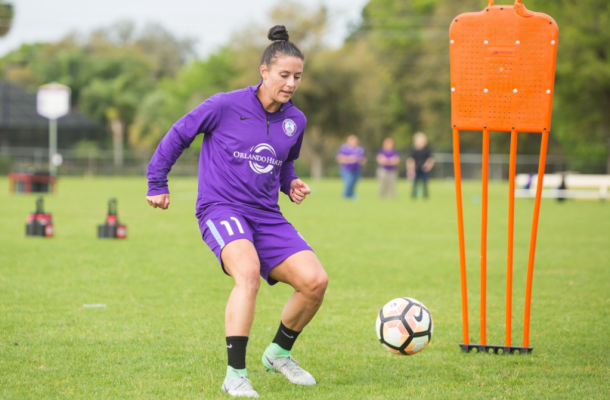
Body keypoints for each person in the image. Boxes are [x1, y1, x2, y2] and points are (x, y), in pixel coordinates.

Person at [145, 25, 328, 398]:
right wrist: (157, 183)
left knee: (314, 282)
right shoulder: (224, 105)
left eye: (297, 77)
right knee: (247, 274)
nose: (291, 83)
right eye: (284, 75)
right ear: (264, 71)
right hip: (221, 208)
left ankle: (278, 353)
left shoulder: (297, 121)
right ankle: (235, 374)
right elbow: (179, 134)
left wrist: (289, 183)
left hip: (266, 215)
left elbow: (284, 162)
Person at [336, 135, 366, 199]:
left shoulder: (360, 148)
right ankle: (346, 196)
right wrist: (349, 159)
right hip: (346, 169)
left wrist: (359, 160)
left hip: (356, 169)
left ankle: (351, 195)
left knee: (353, 183)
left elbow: (364, 159)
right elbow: (339, 158)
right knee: (349, 181)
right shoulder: (344, 148)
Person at [406, 132, 435, 199]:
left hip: (424, 168)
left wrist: (427, 166)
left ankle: (425, 195)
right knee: (415, 182)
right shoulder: (413, 149)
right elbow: (410, 160)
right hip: (416, 168)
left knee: (425, 182)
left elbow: (430, 159)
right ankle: (413, 195)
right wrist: (410, 169)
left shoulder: (427, 149)